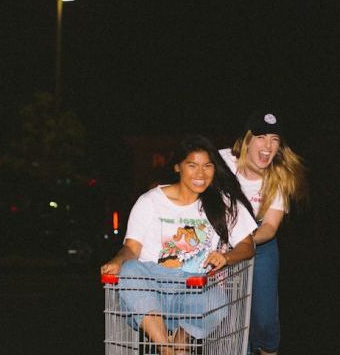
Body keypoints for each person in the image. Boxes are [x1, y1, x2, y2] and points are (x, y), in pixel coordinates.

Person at [100, 134, 257, 355]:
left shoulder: (224, 203)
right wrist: (117, 261)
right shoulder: (150, 201)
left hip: (193, 291)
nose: (201, 174)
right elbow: (132, 249)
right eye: (192, 165)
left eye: (207, 166)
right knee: (130, 270)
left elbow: (247, 245)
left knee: (217, 300)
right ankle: (166, 347)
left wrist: (227, 257)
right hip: (151, 292)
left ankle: (180, 342)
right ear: (177, 167)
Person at [219, 110, 306, 355]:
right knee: (230, 317)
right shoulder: (222, 162)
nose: (268, 145)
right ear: (247, 140)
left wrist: (242, 243)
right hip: (218, 245)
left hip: (259, 244)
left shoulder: (277, 178)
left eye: (275, 139)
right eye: (262, 137)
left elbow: (269, 227)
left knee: (265, 319)